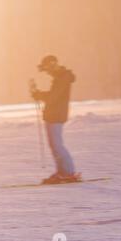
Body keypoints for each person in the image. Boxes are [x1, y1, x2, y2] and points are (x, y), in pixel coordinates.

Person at [30, 55, 80, 184]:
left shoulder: (63, 78)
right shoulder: (60, 78)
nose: (47, 72)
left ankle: (68, 173)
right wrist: (38, 94)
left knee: (57, 145)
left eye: (47, 69)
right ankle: (62, 172)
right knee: (55, 145)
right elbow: (53, 96)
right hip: (54, 114)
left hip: (56, 115)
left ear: (53, 65)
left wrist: (38, 94)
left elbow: (53, 97)